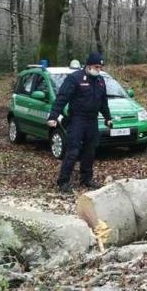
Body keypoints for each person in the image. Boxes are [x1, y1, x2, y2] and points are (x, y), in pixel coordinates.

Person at [47, 52, 113, 193]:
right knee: (73, 151)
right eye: (96, 66)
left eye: (101, 67)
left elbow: (103, 103)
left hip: (92, 120)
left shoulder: (100, 81)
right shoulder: (75, 78)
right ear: (88, 65)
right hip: (77, 119)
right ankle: (63, 181)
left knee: (90, 150)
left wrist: (108, 118)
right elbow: (62, 98)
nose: (99, 70)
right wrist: (53, 116)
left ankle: (86, 178)